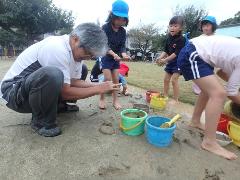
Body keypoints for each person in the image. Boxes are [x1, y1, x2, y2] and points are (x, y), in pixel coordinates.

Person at [0, 23, 120, 137]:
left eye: (91, 55)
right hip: (13, 93)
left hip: (30, 91)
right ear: (75, 39)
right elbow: (65, 91)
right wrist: (98, 89)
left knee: (82, 69)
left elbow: (72, 81)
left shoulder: (76, 53)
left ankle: (59, 106)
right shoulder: (56, 47)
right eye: (87, 52)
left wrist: (99, 85)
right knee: (53, 74)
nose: (88, 57)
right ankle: (40, 121)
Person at [177, 35, 240, 160]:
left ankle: (195, 121)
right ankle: (209, 142)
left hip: (197, 53)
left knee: (210, 90)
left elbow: (221, 72)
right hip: (193, 53)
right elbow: (231, 93)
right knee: (218, 94)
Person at [99, 0, 131, 110]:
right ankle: (102, 98)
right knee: (107, 78)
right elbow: (104, 44)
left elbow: (122, 45)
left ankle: (115, 100)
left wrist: (124, 54)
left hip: (116, 59)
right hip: (106, 57)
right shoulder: (105, 28)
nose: (120, 21)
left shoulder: (123, 31)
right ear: (112, 16)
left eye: (123, 19)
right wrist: (113, 54)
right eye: (118, 18)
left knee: (116, 79)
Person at [156, 16, 186, 104]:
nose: (172, 28)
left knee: (174, 80)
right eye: (171, 26)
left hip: (179, 63)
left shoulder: (182, 39)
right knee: (166, 79)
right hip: (170, 62)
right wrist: (160, 57)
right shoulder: (168, 37)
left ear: (180, 28)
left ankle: (176, 100)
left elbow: (176, 53)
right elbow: (166, 50)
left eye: (175, 26)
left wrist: (165, 60)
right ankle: (165, 96)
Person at [192, 16, 218, 95]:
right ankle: (197, 89)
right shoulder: (200, 37)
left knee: (209, 73)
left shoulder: (216, 38)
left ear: (213, 26)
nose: (205, 28)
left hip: (210, 60)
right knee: (199, 74)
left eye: (207, 25)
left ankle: (206, 88)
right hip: (200, 59)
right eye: (203, 26)